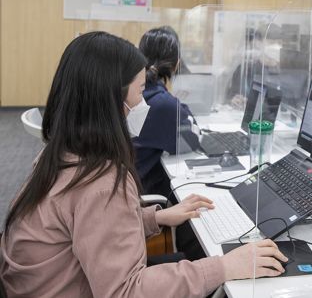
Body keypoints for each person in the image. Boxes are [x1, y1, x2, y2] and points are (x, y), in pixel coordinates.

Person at [0, 32, 287, 297]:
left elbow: (86, 226)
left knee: (191, 260)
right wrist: (224, 267)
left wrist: (154, 218)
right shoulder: (100, 181)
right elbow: (125, 292)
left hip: (48, 286)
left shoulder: (62, 153)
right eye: (139, 91)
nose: (143, 103)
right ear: (111, 101)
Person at [134, 26, 201, 197]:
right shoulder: (162, 104)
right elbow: (192, 140)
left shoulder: (139, 92)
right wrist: (176, 102)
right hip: (141, 190)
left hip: (130, 183)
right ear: (177, 63)